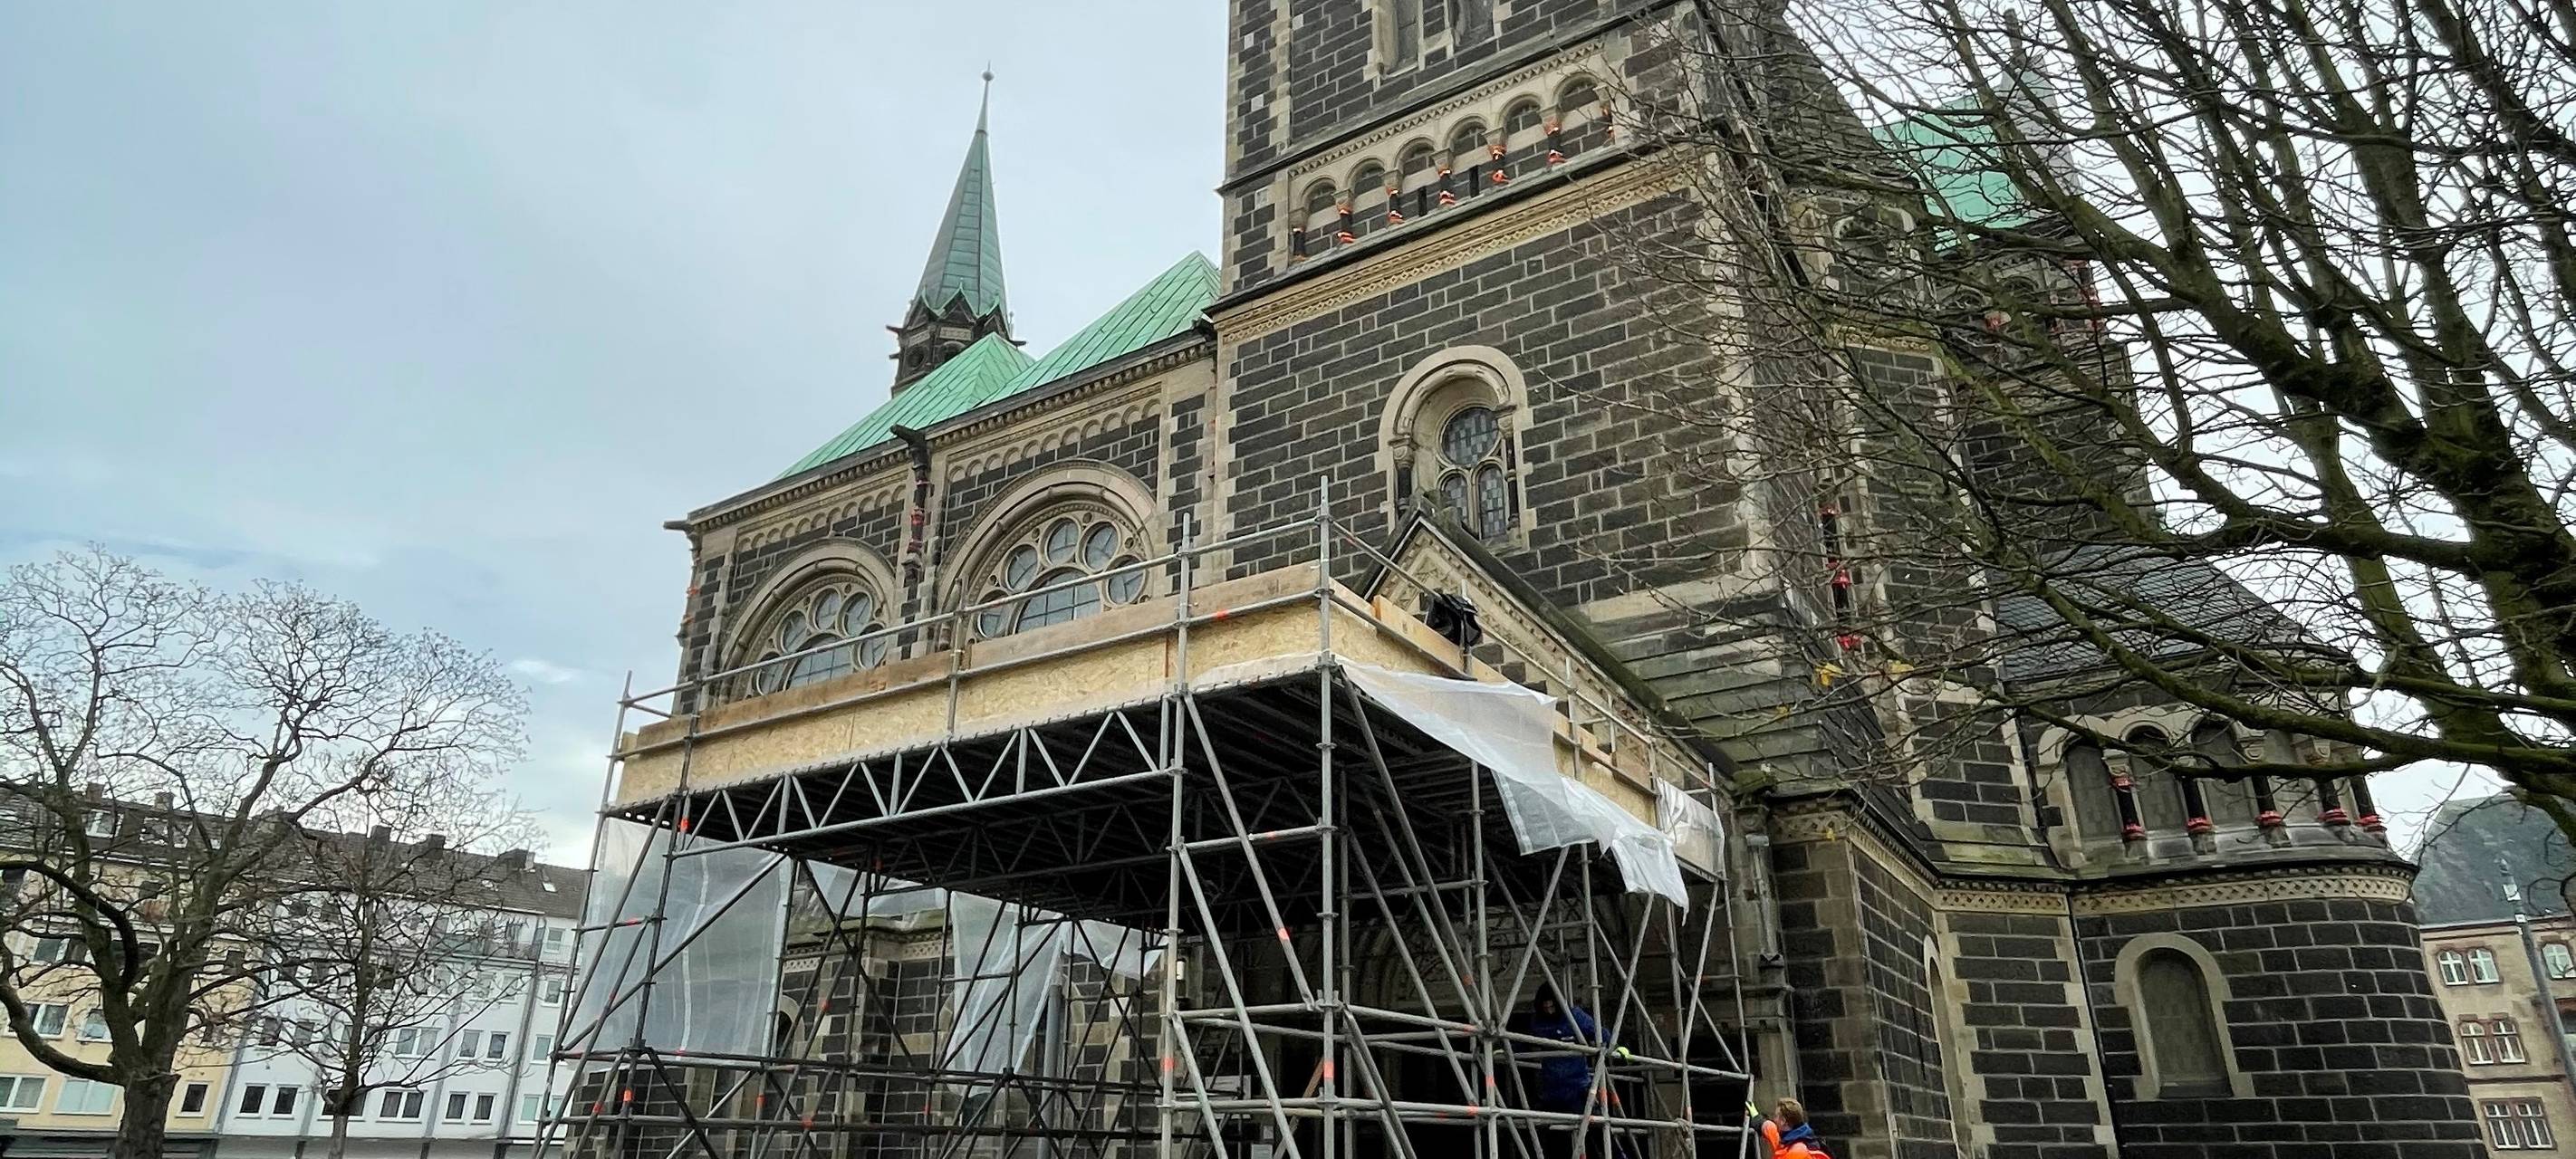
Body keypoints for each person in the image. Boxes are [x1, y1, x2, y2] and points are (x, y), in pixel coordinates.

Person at [1507, 984, 1629, 1158]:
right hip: (1551, 1091)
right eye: (1545, 1007)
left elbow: (1599, 1033)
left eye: (1552, 1006)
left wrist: (1617, 1047)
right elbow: (1524, 1041)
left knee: (1598, 1132)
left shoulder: (1574, 1017)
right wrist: (1507, 1049)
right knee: (1546, 1134)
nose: (1549, 1011)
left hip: (1577, 1087)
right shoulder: (1538, 1022)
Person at [1753, 1097, 1829, 1159]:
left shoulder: (1796, 1152)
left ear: (1783, 1121)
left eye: (1776, 1116)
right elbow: (1772, 1131)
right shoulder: (1792, 1139)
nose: (1774, 1119)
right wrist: (1758, 1119)